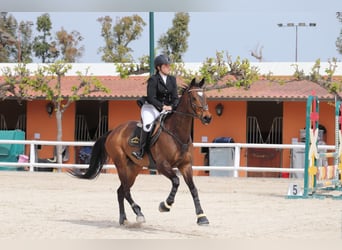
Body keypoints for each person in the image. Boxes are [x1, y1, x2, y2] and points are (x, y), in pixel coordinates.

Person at [132, 54, 179, 160]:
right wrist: (163, 106)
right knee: (148, 124)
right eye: (165, 66)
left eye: (168, 65)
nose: (168, 67)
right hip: (151, 107)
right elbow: (151, 97)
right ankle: (141, 150)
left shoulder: (172, 79)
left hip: (167, 108)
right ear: (159, 67)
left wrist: (172, 106)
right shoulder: (153, 79)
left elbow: (175, 97)